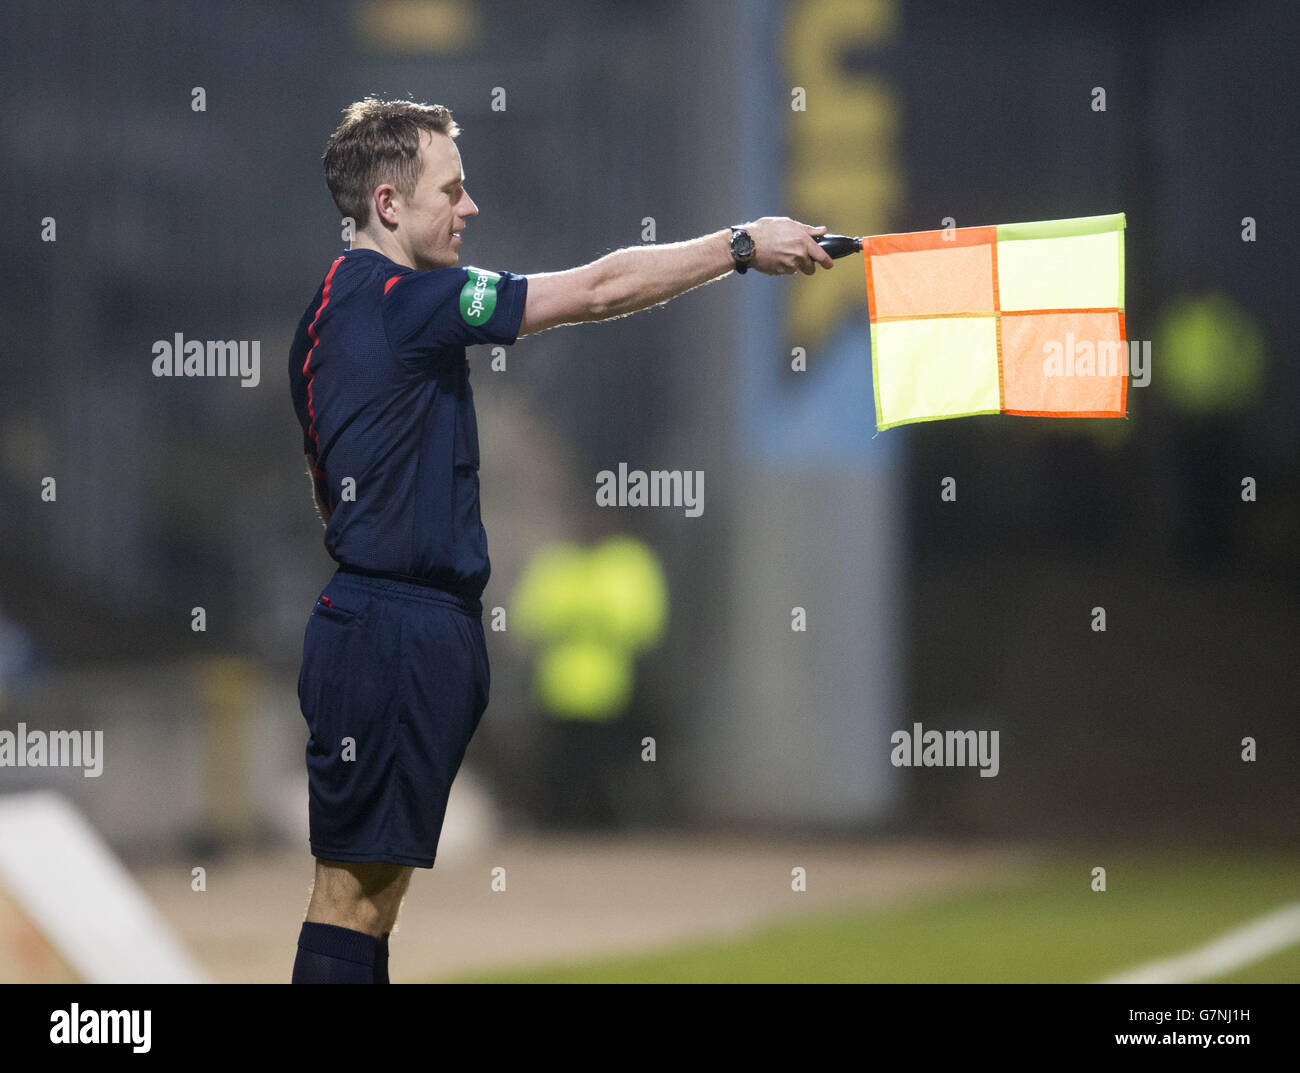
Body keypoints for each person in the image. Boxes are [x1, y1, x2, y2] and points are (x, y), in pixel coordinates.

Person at [287, 96, 834, 983]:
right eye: (452, 190)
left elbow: (329, 489)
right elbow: (597, 288)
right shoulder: (406, 301)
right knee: (353, 897)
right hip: (393, 634)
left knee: (372, 902)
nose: (470, 208)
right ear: (388, 204)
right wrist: (740, 245)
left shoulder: (320, 321)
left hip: (382, 624)